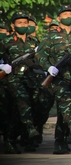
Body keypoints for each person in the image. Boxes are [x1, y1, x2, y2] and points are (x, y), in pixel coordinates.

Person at [36, 5, 71, 154]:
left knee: (65, 110)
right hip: (58, 77)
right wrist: (48, 67)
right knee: (65, 102)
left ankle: (60, 141)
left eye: (70, 14)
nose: (68, 16)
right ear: (59, 18)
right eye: (65, 14)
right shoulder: (51, 36)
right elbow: (40, 55)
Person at [0, 11, 41, 153]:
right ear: (13, 25)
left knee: (20, 111)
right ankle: (30, 129)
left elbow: (39, 60)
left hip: (31, 79)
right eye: (20, 23)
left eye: (25, 23)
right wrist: (2, 66)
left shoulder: (34, 42)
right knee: (23, 101)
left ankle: (10, 140)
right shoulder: (5, 41)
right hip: (14, 79)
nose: (23, 25)